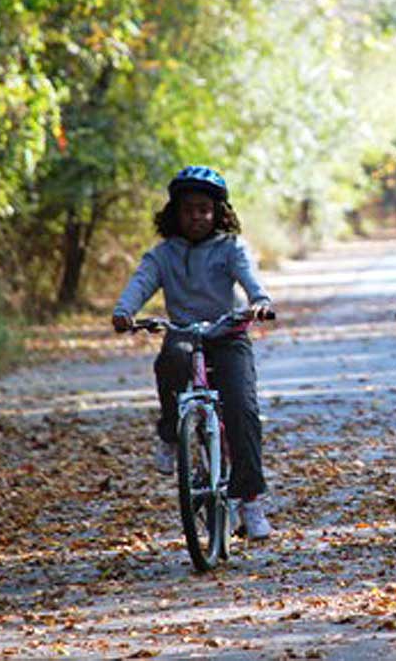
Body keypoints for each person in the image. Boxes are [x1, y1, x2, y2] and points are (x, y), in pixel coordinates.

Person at [111, 165, 275, 539]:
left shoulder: (231, 248)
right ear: (175, 213)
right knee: (171, 359)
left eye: (205, 209)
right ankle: (172, 431)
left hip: (228, 334)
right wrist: (125, 311)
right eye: (188, 209)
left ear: (218, 212)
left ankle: (249, 501)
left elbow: (251, 279)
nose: (197, 217)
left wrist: (260, 301)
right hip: (184, 333)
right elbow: (141, 283)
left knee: (243, 410)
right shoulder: (163, 254)